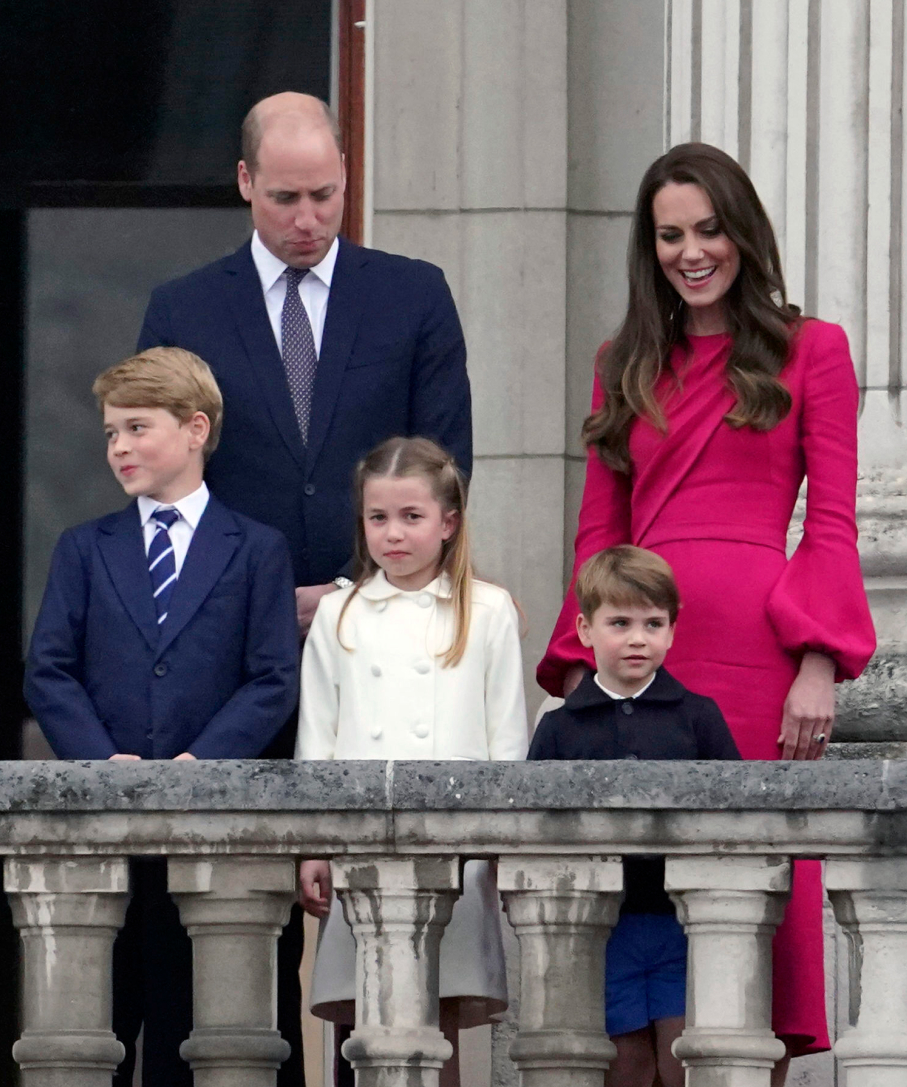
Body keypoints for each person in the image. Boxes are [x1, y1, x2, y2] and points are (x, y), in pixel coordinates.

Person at [136, 93, 471, 1079]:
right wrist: (255, 596)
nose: (307, 218)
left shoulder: (412, 296)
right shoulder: (182, 308)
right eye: (284, 196)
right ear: (244, 184)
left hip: (381, 654)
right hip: (227, 661)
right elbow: (161, 482)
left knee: (380, 931)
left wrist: (358, 593)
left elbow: (443, 467)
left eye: (325, 194)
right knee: (227, 931)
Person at [536, 143, 874, 1078]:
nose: (692, 252)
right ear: (650, 249)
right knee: (630, 923)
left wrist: (818, 660)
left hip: (756, 663)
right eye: (670, 235)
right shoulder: (622, 361)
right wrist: (577, 675)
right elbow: (595, 535)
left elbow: (834, 523)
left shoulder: (814, 349)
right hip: (638, 656)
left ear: (742, 233)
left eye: (708, 230)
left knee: (745, 909)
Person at [24, 347, 298, 1086]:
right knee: (98, 1032)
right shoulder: (84, 548)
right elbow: (48, 669)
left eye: (136, 428)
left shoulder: (256, 548)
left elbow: (272, 678)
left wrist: (201, 761)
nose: (119, 447)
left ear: (194, 429)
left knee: (196, 1039)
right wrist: (96, 760)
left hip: (213, 833)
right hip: (106, 834)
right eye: (110, 432)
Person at [296, 436, 524, 1087]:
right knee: (366, 1026)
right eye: (378, 518)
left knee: (438, 1025)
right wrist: (312, 847)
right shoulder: (340, 613)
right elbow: (317, 738)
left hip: (457, 849)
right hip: (358, 843)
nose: (393, 533)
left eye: (411, 516)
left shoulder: (488, 610)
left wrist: (502, 848)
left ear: (447, 521)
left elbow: (505, 741)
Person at [527, 546, 742, 1087]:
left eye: (653, 623)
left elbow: (737, 814)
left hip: (684, 923)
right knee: (626, 1067)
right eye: (619, 623)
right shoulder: (559, 726)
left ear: (673, 629)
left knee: (683, 1060)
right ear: (585, 628)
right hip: (603, 928)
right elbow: (532, 826)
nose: (638, 638)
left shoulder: (698, 717)